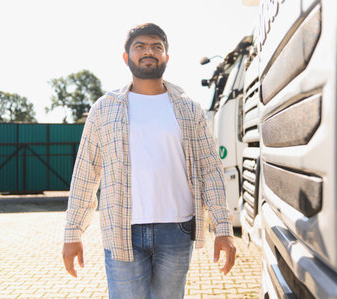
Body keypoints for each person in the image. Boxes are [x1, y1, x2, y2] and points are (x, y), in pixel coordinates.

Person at [62, 23, 236, 299]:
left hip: (177, 230)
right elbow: (86, 172)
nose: (149, 52)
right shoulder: (104, 109)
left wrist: (223, 228)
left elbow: (210, 169)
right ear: (126, 57)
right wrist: (73, 233)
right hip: (121, 229)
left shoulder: (189, 108)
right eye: (140, 46)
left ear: (166, 56)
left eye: (157, 47)